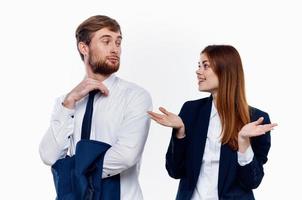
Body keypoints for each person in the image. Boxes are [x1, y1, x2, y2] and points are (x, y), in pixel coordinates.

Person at [39, 15, 152, 200]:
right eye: (106, 41)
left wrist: (72, 172)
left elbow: (126, 155)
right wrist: (69, 103)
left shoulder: (135, 96)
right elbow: (49, 155)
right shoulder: (66, 101)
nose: (115, 49)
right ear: (84, 48)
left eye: (118, 42)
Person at [148, 45, 277, 200]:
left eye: (205, 66)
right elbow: (175, 171)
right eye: (199, 65)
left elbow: (252, 181)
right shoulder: (190, 111)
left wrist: (244, 142)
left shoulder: (256, 119)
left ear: (225, 70)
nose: (198, 71)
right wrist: (180, 132)